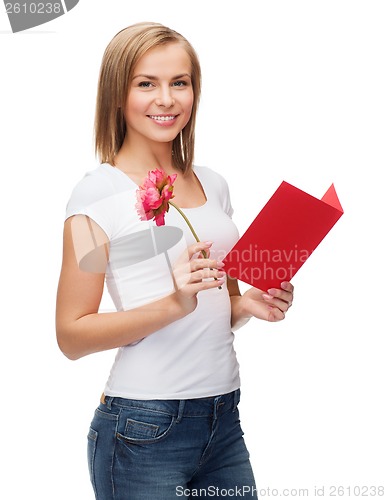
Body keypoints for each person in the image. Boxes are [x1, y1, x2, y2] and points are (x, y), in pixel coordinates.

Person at [55, 21, 294, 499]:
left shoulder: (213, 184)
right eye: (146, 83)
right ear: (117, 96)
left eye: (179, 83)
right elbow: (71, 335)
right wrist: (171, 305)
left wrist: (245, 306)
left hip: (223, 419)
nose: (166, 99)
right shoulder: (95, 195)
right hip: (143, 427)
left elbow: (216, 310)